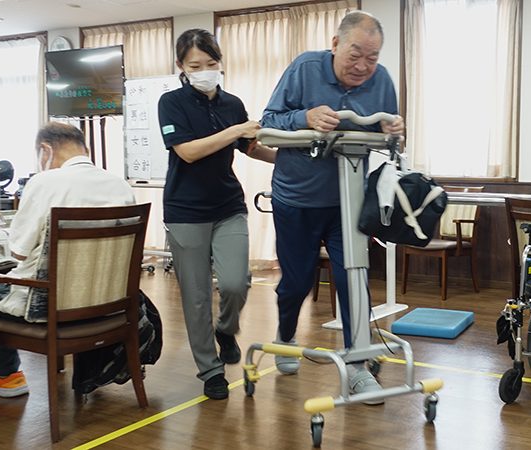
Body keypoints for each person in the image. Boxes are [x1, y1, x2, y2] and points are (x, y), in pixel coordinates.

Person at [260, 11, 404, 404]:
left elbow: (387, 136)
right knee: (298, 282)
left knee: (353, 280)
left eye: (371, 58)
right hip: (297, 199)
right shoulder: (304, 68)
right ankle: (286, 334)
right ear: (336, 44)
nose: (362, 66)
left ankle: (357, 368)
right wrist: (303, 117)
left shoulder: (383, 81)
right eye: (355, 54)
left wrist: (393, 131)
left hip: (348, 202)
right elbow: (268, 122)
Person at [0, 122, 135, 396]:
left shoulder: (45, 182)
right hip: (107, 302)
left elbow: (19, 251)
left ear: (45, 150)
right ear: (84, 148)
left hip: (49, 304)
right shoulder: (119, 184)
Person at [158, 28, 276, 401]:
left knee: (235, 283)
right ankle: (210, 370)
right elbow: (188, 152)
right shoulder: (171, 102)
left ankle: (226, 329)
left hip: (227, 207)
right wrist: (237, 129)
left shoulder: (232, 104)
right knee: (195, 298)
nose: (205, 70)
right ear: (181, 66)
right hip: (185, 212)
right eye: (196, 65)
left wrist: (293, 158)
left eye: (212, 64)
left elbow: (250, 148)